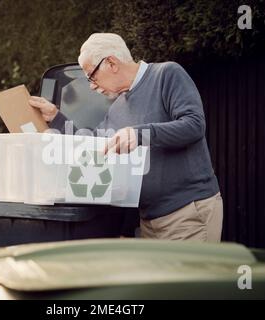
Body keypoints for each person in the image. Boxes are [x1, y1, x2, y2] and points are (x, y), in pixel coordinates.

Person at [28, 33, 223, 242]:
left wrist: (139, 134)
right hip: (149, 221)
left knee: (188, 276)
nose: (92, 85)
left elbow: (194, 125)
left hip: (187, 214)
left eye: (91, 76)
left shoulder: (167, 74)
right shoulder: (118, 107)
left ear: (111, 63)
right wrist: (56, 117)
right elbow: (94, 145)